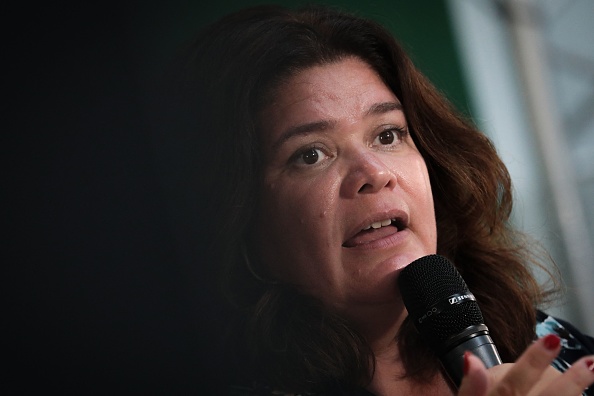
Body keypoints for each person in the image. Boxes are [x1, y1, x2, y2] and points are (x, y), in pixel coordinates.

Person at [166, 4, 594, 395]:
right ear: (238, 214)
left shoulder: (552, 352)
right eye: (311, 154)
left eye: (387, 135)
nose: (374, 173)